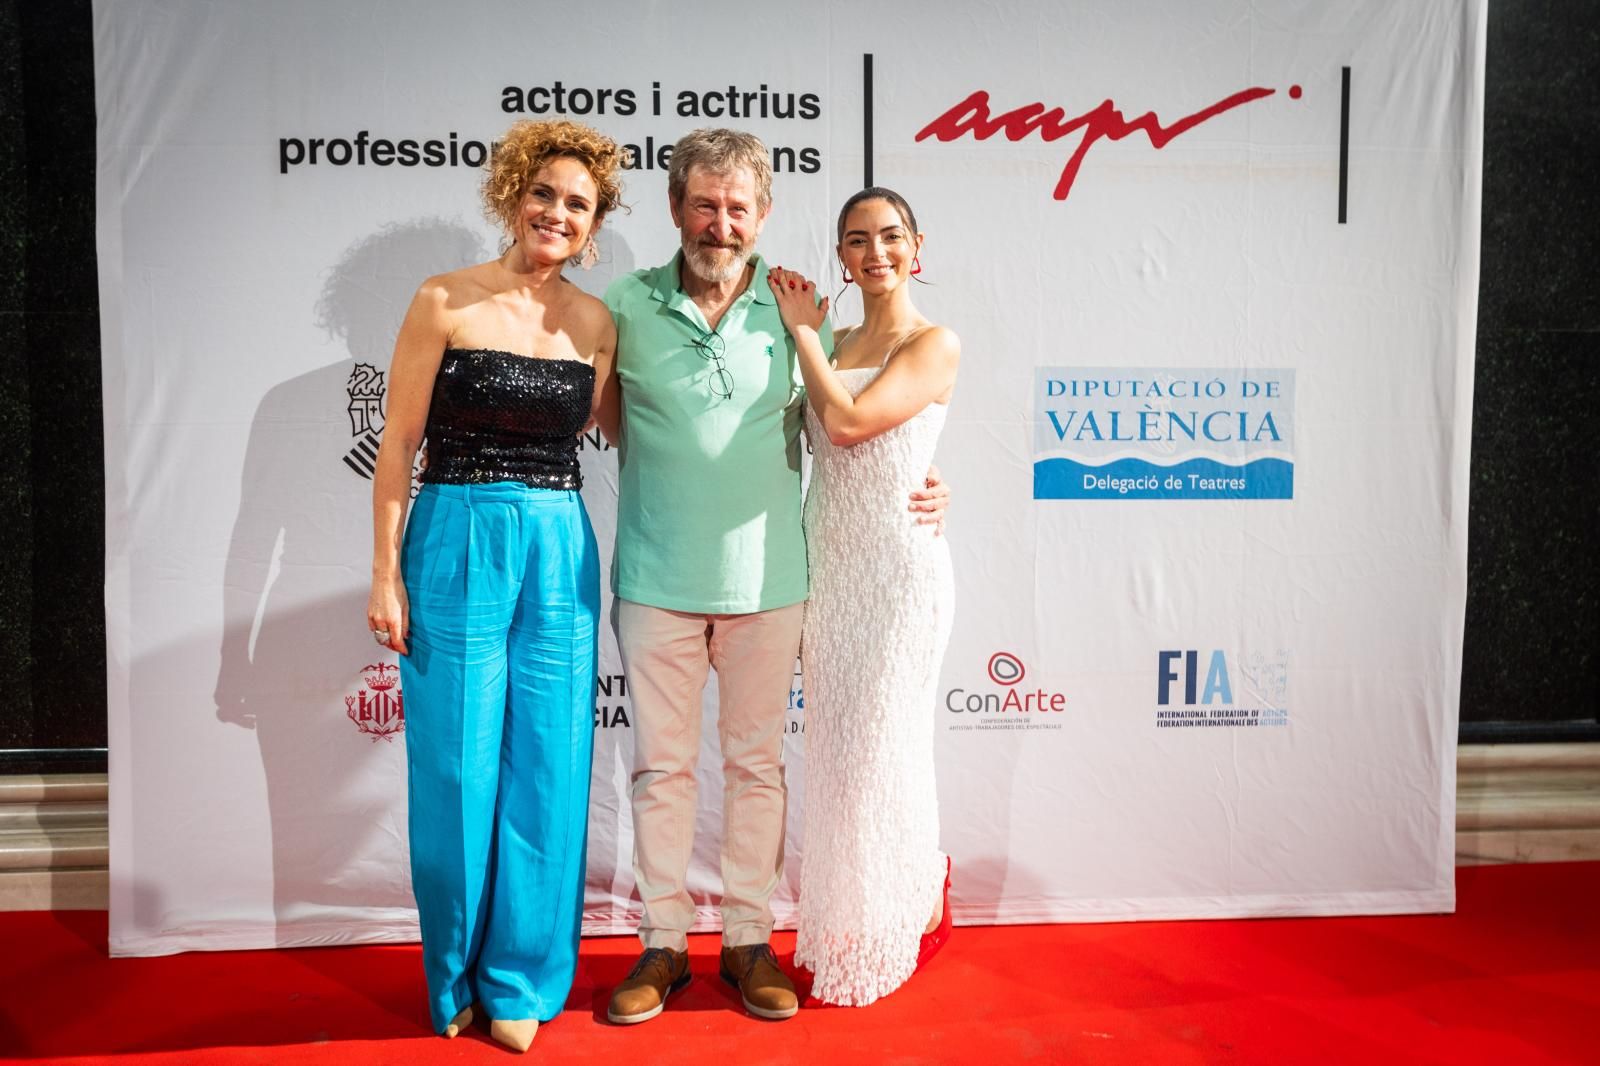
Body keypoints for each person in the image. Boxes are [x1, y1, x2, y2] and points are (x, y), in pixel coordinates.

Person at [594, 131, 950, 1025]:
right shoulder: (625, 307)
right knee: (661, 773)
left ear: (763, 216)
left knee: (758, 770)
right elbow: (601, 419)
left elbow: (856, 428)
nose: (721, 223)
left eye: (738, 207)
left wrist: (933, 484)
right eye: (705, 205)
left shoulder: (800, 310)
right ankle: (663, 946)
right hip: (653, 577)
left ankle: (749, 941)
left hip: (771, 583)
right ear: (676, 210)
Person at [365, 119, 624, 1053]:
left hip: (559, 546)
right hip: (455, 537)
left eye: (577, 204)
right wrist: (385, 572)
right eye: (544, 194)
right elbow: (397, 443)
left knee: (551, 770)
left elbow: (652, 438)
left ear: (594, 226)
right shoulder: (444, 300)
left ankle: (518, 977)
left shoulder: (597, 323)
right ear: (514, 196)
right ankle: (451, 977)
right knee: (456, 768)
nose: (557, 214)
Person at [766, 187, 960, 1006]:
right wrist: (814, 336)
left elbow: (848, 426)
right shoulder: (836, 338)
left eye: (889, 236)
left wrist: (802, 331)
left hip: (900, 576)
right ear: (841, 258)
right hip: (832, 572)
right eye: (856, 240)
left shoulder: (933, 340)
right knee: (844, 760)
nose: (874, 252)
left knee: (887, 749)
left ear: (918, 245)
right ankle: (861, 911)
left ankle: (898, 918)